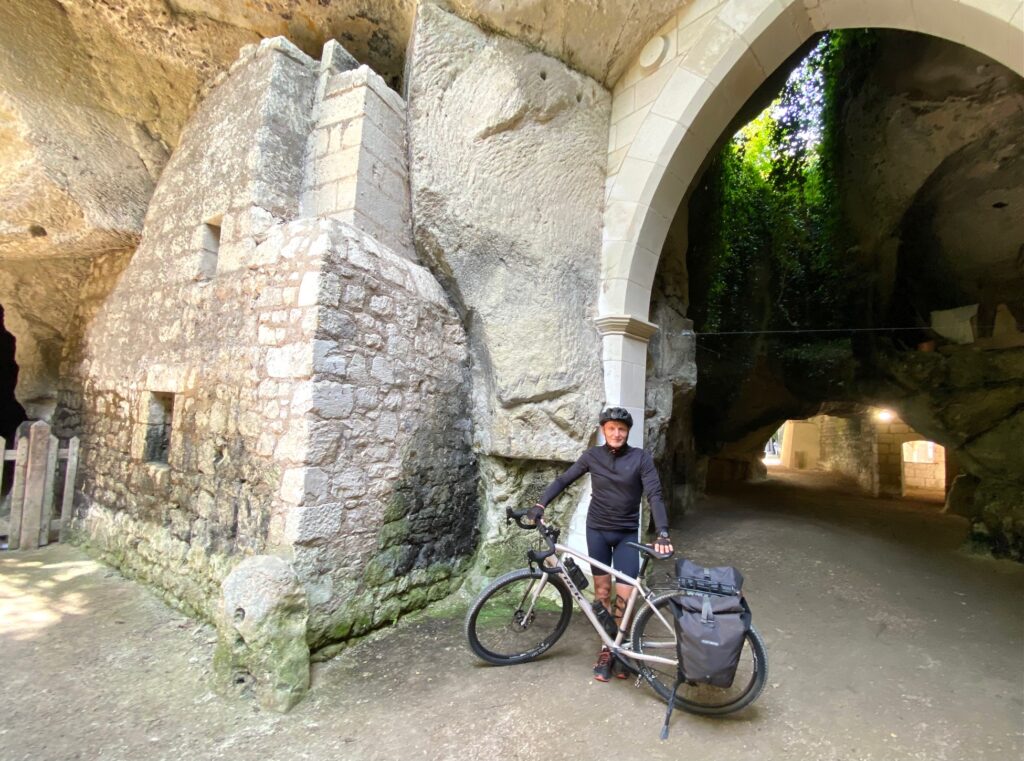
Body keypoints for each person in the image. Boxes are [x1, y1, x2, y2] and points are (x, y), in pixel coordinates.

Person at [528, 406, 673, 682]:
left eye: (621, 429)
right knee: (603, 591)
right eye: (611, 429)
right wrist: (540, 503)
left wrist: (663, 532)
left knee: (627, 595)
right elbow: (564, 479)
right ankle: (608, 647)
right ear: (603, 430)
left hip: (626, 534)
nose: (617, 433)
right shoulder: (592, 456)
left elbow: (654, 494)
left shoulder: (641, 458)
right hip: (597, 531)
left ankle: (622, 647)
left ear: (627, 432)